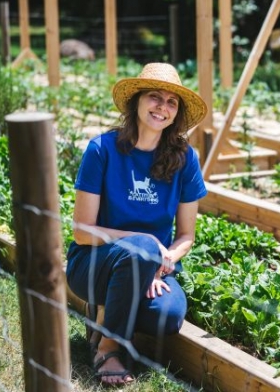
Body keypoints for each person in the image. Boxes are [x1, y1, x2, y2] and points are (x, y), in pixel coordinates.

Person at [66, 62, 208, 386]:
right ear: (137, 101)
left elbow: (186, 235)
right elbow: (82, 231)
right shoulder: (101, 150)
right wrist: (143, 247)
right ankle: (107, 347)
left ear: (177, 112)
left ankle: (103, 313)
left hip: (155, 265)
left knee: (168, 316)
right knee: (141, 247)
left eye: (172, 102)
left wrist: (162, 261)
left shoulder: (186, 159)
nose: (163, 107)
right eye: (155, 97)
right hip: (93, 263)